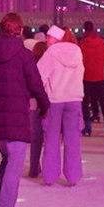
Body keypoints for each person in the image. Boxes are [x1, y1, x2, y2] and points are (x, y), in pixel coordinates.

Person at [0, 13, 50, 207]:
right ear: (19, 31)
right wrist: (44, 105)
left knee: (7, 159)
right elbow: (35, 83)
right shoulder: (23, 54)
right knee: (14, 165)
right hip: (17, 115)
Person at [37, 26, 85, 186]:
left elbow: (40, 76)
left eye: (49, 37)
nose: (46, 41)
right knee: (73, 139)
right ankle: (73, 176)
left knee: (51, 138)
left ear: (55, 39)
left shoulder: (50, 53)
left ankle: (50, 175)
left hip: (55, 100)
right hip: (74, 98)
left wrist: (41, 96)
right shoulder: (77, 51)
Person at [78, 22, 104, 136]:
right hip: (99, 75)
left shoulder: (83, 44)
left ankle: (87, 126)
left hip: (86, 76)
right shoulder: (101, 43)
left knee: (85, 102)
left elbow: (82, 61)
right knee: (102, 101)